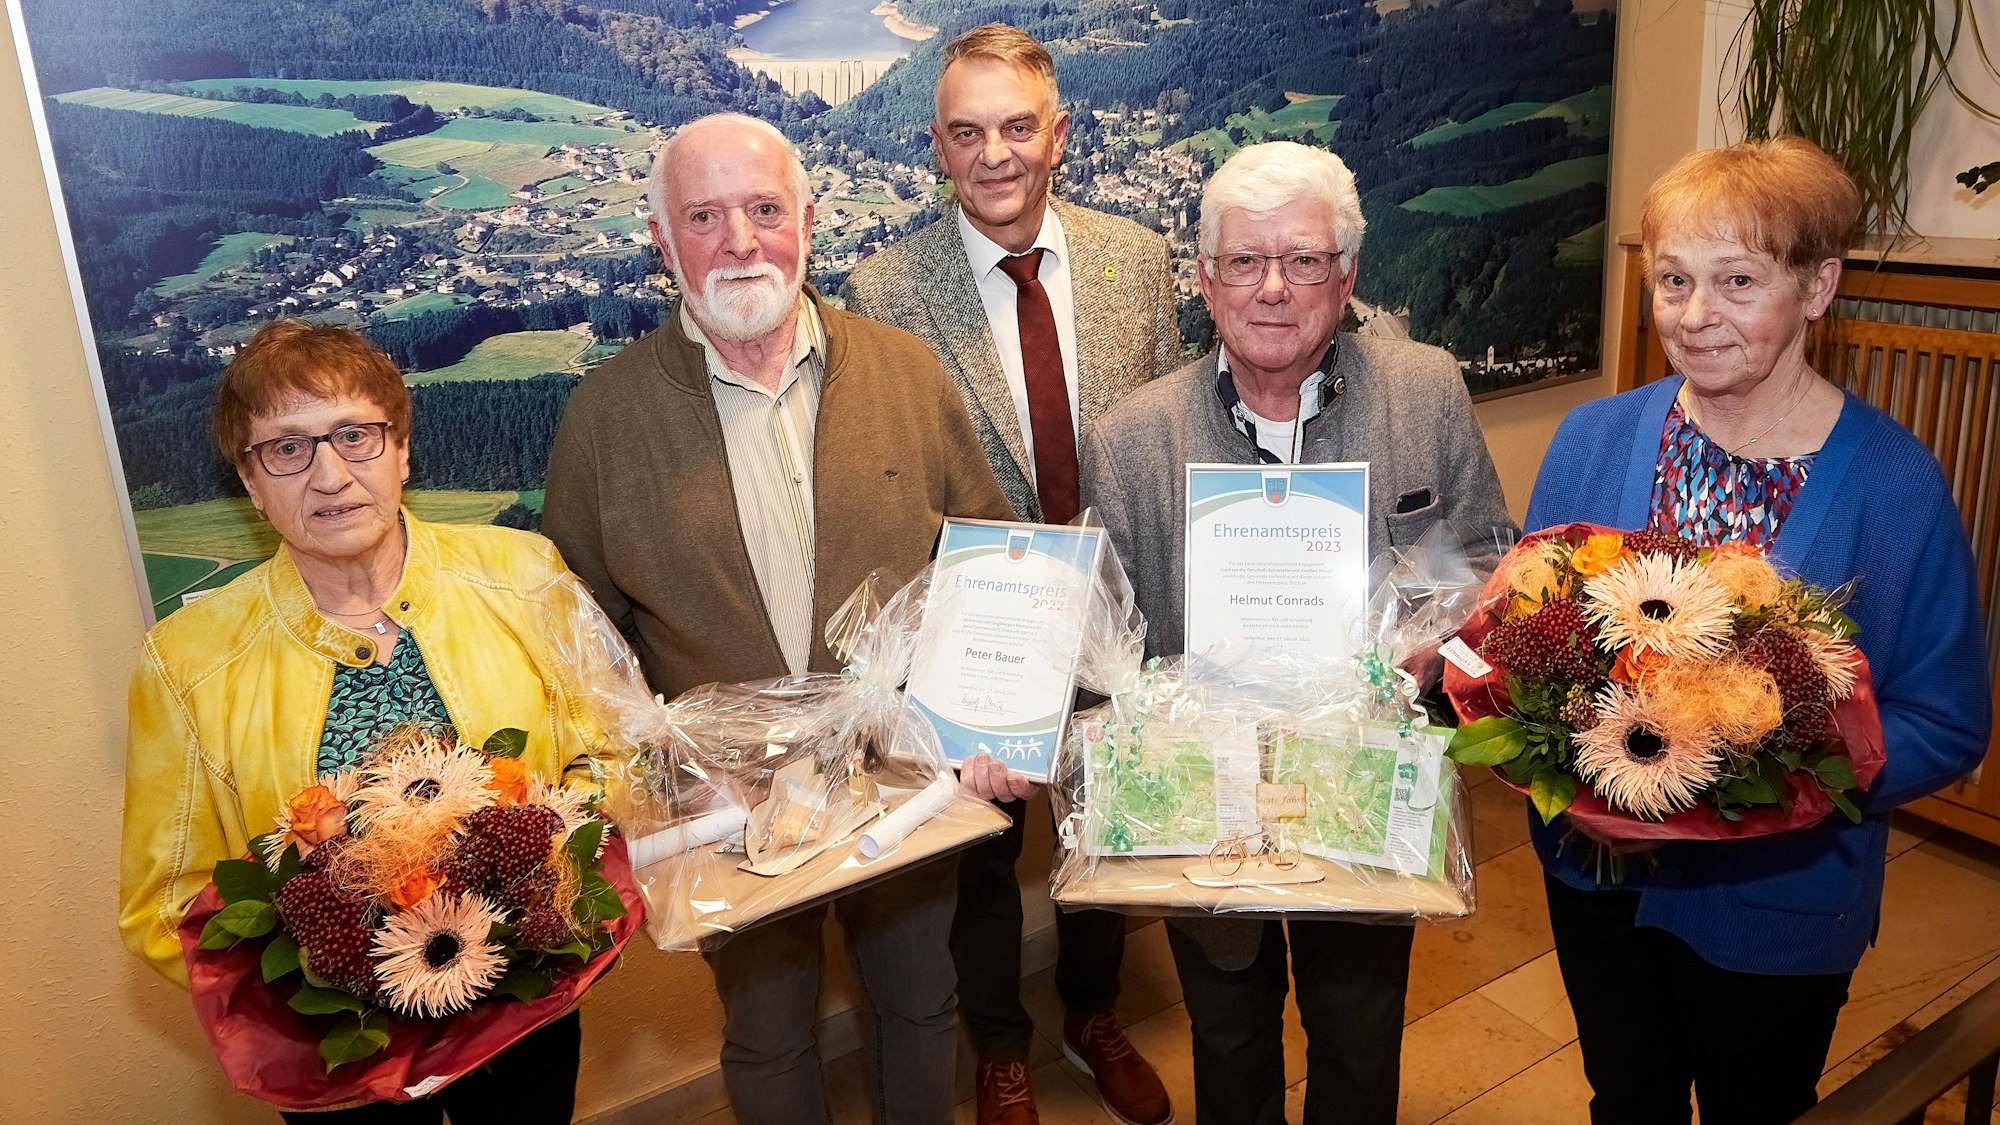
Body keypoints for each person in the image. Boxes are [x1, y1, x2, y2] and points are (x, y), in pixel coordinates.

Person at [541, 112, 1013, 1125]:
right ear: (662, 243)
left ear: (808, 217)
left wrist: (992, 723)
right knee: (766, 1030)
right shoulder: (603, 421)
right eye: (704, 217)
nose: (741, 241)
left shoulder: (903, 372)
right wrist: (669, 772)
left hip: (901, 781)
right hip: (725, 807)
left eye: (764, 208)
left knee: (920, 998)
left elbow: (991, 561)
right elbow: (580, 647)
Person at [1524, 136, 1991, 1125]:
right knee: (1625, 1098)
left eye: (1735, 280)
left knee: (1758, 1106)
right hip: (1598, 880)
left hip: (1776, 900)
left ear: (1815, 285)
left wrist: (1765, 765)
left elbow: (1945, 722)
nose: (1694, 316)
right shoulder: (1593, 439)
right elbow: (1537, 640)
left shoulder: (1892, 487)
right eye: (1673, 280)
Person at [1079, 141, 1515, 1125]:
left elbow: (1489, 555)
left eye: (1304, 260)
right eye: (1243, 261)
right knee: (1227, 1035)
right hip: (1203, 803)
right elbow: (1104, 631)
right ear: (1203, 279)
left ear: (1346, 273)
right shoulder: (1130, 438)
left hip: (1367, 792)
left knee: (1357, 1035)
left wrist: (1428, 640)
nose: (1272, 288)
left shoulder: (1425, 389)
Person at [119, 320, 617, 1123]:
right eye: (287, 448)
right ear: (250, 481)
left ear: (402, 451)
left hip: (526, 1007)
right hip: (341, 1055)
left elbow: (611, 755)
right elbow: (167, 902)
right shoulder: (187, 662)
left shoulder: (527, 576)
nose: (329, 475)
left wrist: (548, 894)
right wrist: (328, 976)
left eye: (355, 435)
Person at [843, 24, 1180, 1125]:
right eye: (966, 132)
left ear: (1058, 135)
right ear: (937, 147)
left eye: (1017, 128)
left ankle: (1092, 1011)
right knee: (981, 854)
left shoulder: (1137, 259)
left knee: (1102, 823)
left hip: (1112, 609)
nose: (994, 154)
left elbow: (1165, 429)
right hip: (972, 622)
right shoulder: (883, 287)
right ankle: (1001, 1045)